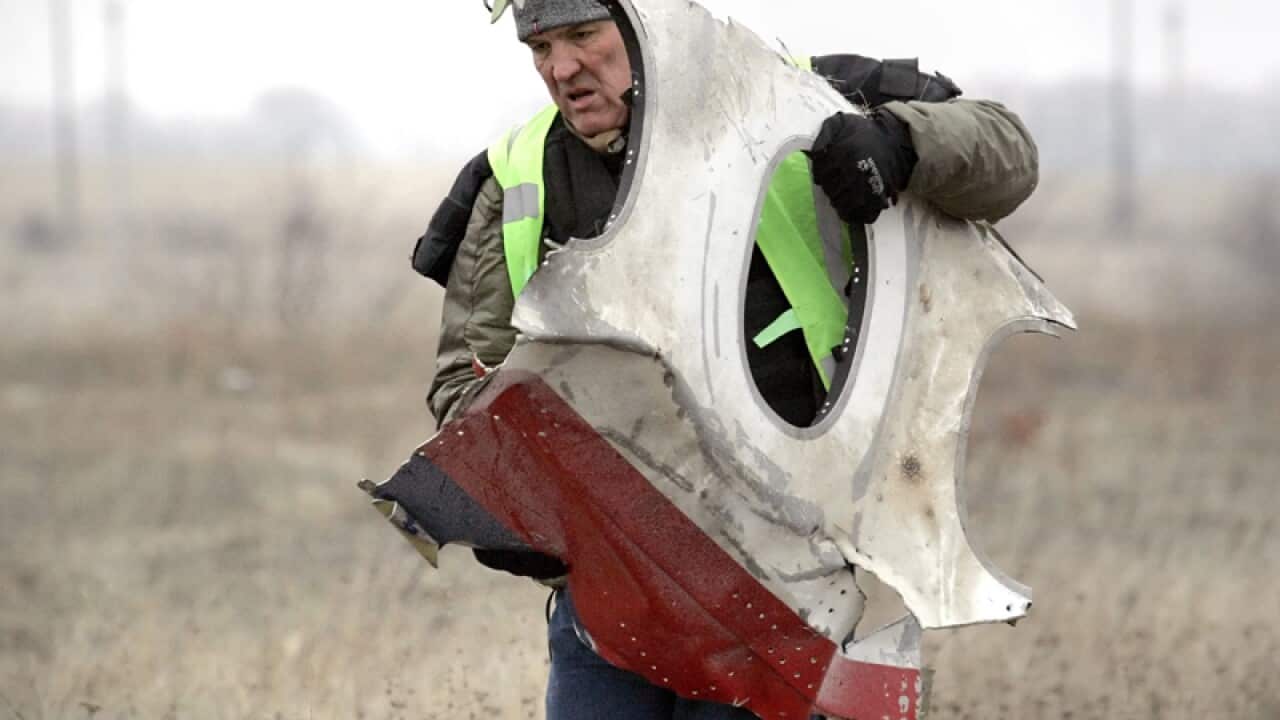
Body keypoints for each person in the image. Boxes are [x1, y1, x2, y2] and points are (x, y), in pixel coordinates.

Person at [412, 1, 1040, 717]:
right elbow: (465, 382)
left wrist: (898, 143)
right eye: (542, 47)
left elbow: (1009, 153)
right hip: (609, 601)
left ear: (652, 25)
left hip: (781, 587)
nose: (562, 69)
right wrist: (513, 505)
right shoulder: (515, 177)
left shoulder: (801, 100)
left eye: (584, 36)